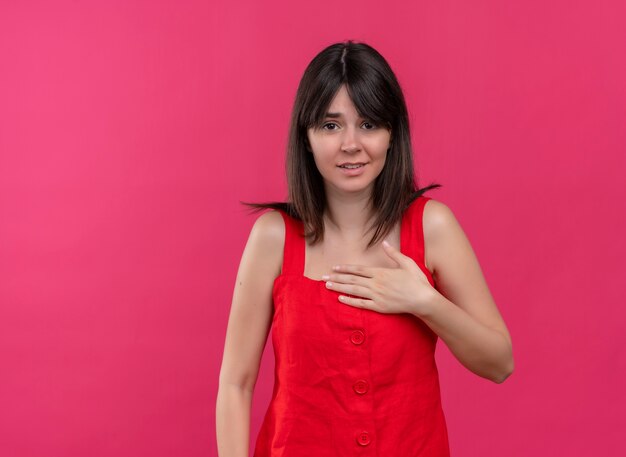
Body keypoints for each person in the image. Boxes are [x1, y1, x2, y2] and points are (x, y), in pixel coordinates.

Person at [216, 40, 514, 457]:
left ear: (393, 134)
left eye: (369, 124)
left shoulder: (433, 226)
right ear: (306, 136)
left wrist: (425, 302)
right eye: (331, 125)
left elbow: (500, 363)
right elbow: (236, 383)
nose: (351, 145)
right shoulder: (273, 236)